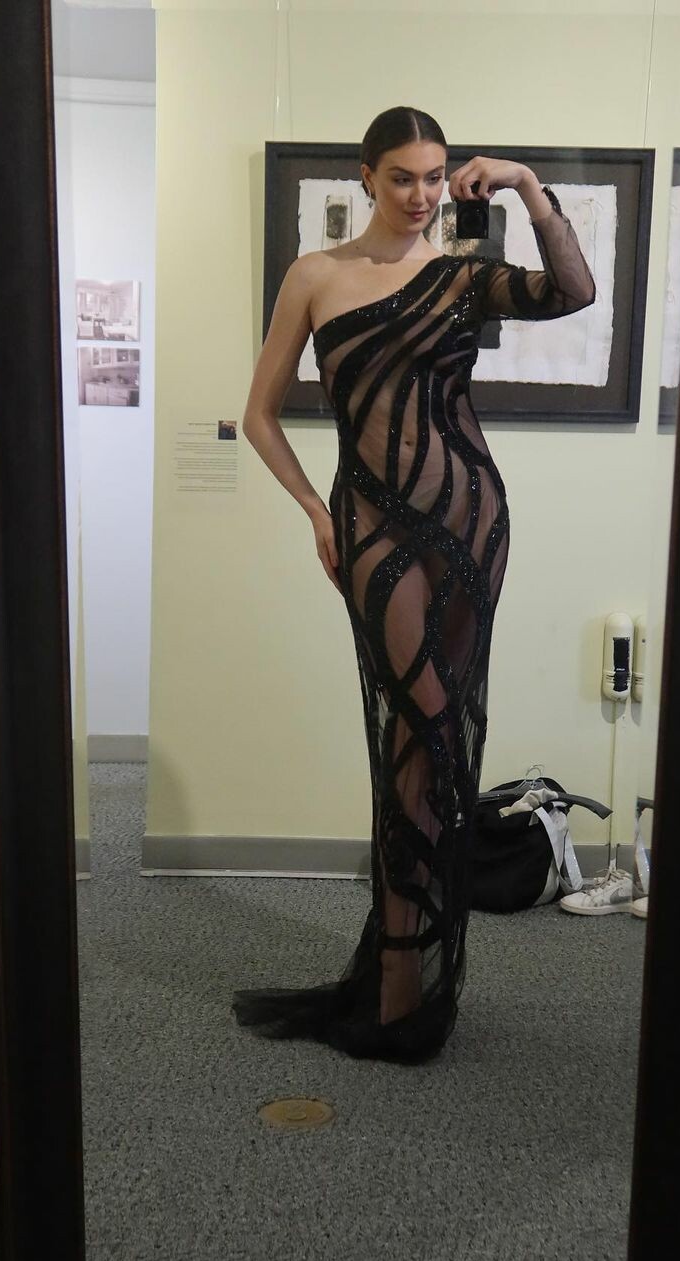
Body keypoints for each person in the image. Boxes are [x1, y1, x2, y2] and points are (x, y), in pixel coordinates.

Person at [232, 106, 596, 1064]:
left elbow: (574, 290)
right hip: (370, 523)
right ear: (366, 177)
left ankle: (407, 987)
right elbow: (260, 414)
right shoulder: (315, 276)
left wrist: (524, 183)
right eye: (403, 177)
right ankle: (404, 976)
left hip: (471, 520)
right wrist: (315, 511)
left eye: (435, 177)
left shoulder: (464, 275)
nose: (423, 194)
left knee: (431, 751)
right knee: (425, 728)